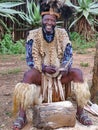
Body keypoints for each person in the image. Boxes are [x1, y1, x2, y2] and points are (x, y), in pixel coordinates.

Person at [12, 0, 92, 129]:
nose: (49, 23)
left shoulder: (63, 34)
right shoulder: (33, 35)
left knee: (78, 73)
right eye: (47, 20)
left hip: (60, 75)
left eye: (52, 20)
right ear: (42, 20)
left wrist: (63, 67)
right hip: (41, 74)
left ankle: (80, 112)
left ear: (56, 22)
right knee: (28, 76)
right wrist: (42, 68)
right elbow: (30, 59)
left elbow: (68, 55)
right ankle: (22, 115)